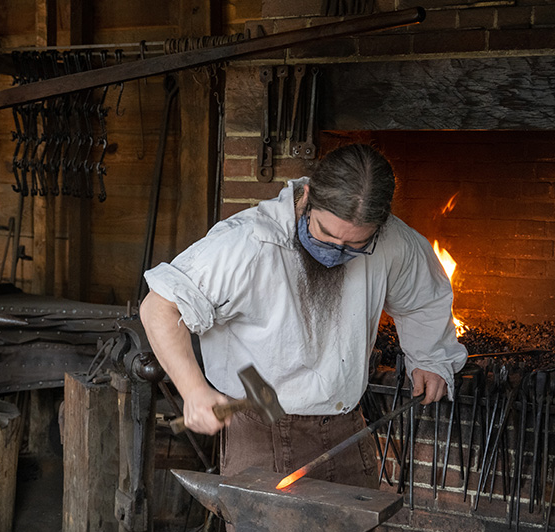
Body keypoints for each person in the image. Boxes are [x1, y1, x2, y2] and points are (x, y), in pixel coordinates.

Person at [140, 143, 467, 489]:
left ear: (379, 224)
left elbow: (421, 298)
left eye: (354, 246)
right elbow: (160, 306)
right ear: (309, 195)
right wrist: (193, 390)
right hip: (261, 426)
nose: (336, 251)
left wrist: (430, 357)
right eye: (325, 234)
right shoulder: (248, 242)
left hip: (346, 427)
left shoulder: (393, 242)